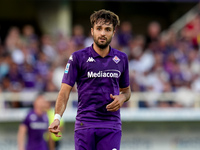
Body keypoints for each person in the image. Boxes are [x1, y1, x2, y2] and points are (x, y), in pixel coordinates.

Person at [49, 9, 131, 150]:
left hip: (111, 125)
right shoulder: (77, 58)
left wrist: (122, 98)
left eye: (107, 29)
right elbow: (64, 91)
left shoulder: (121, 58)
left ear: (113, 33)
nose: (103, 33)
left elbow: (127, 92)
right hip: (85, 125)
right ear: (92, 31)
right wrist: (57, 118)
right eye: (99, 29)